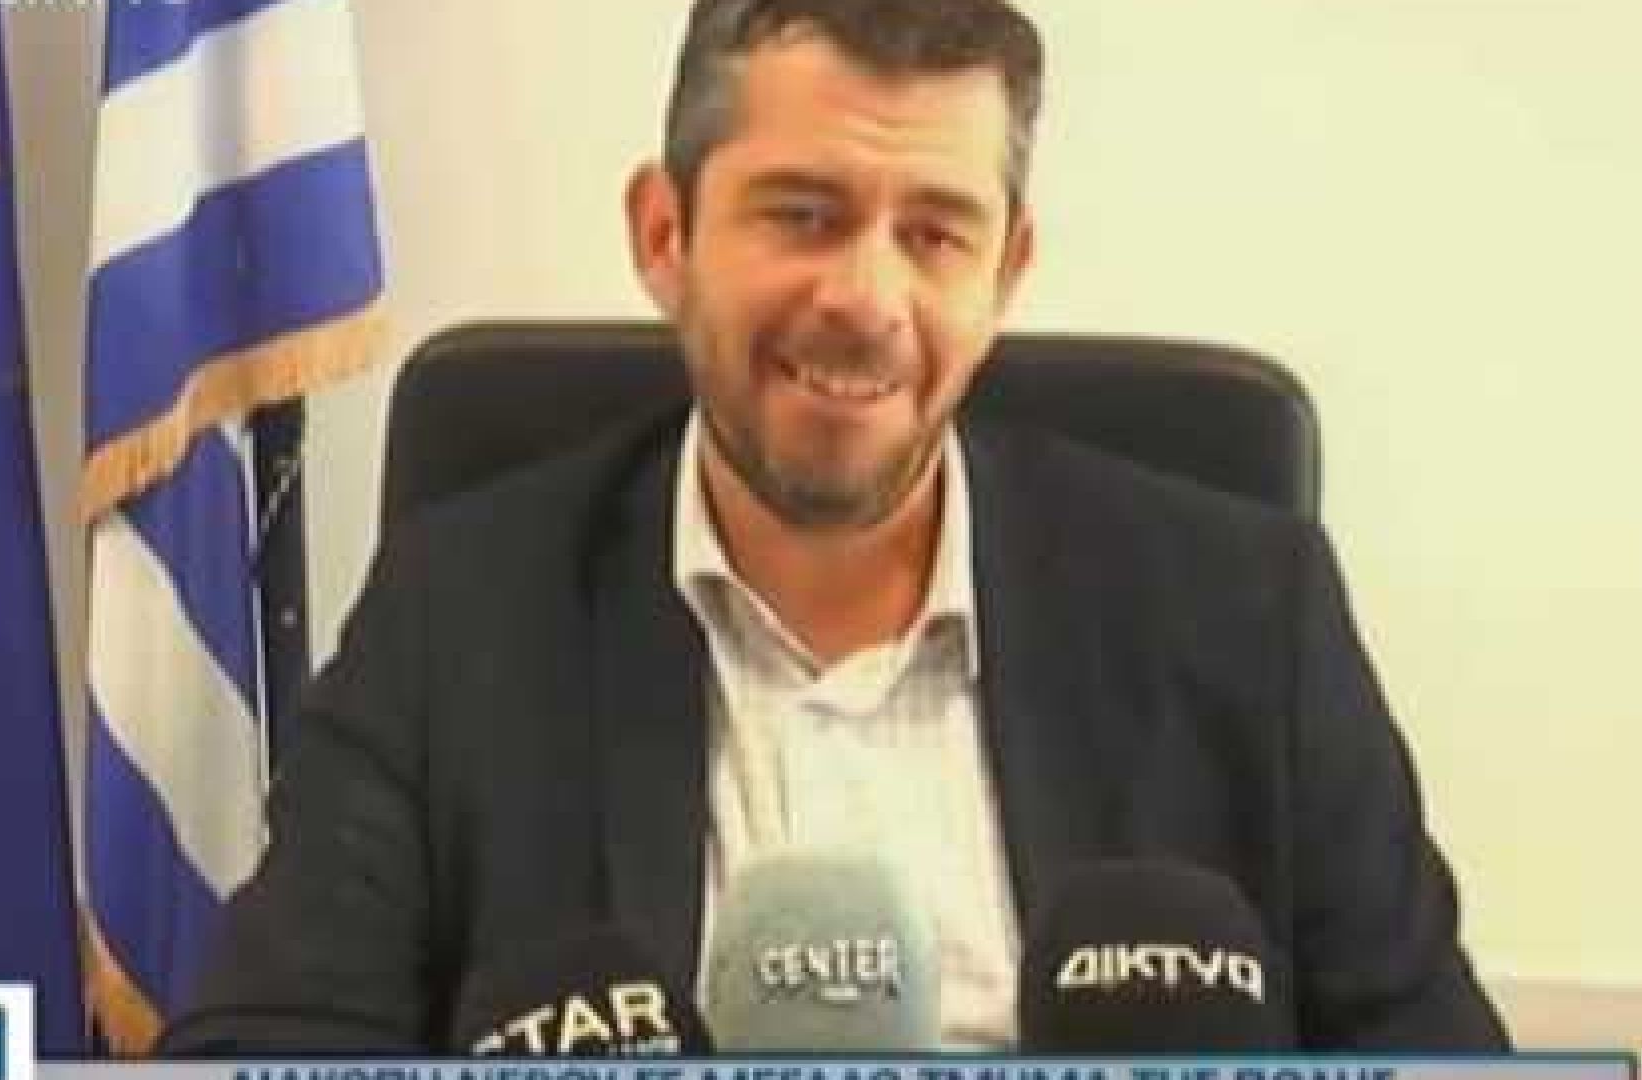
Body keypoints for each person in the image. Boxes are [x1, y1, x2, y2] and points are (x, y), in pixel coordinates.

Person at [162, 0, 1509, 1052]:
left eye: (935, 235)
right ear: (665, 233)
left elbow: (1431, 1053)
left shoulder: (1247, 610)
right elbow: (267, 1046)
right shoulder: (456, 614)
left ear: (1007, 272)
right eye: (803, 216)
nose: (867, 298)